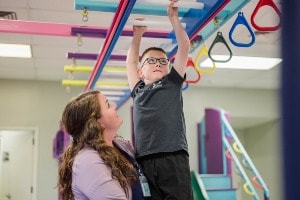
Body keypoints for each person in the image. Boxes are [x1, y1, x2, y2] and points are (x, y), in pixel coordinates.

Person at [126, 0, 193, 199]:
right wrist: (137, 35)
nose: (158, 64)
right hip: (145, 160)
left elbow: (184, 47)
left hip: (173, 155)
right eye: (151, 61)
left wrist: (173, 18)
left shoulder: (172, 83)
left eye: (163, 61)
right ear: (141, 70)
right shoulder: (137, 90)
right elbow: (130, 61)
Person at [58, 90, 150, 200]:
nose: (114, 105)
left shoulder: (120, 146)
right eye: (108, 105)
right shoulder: (88, 162)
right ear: (98, 123)